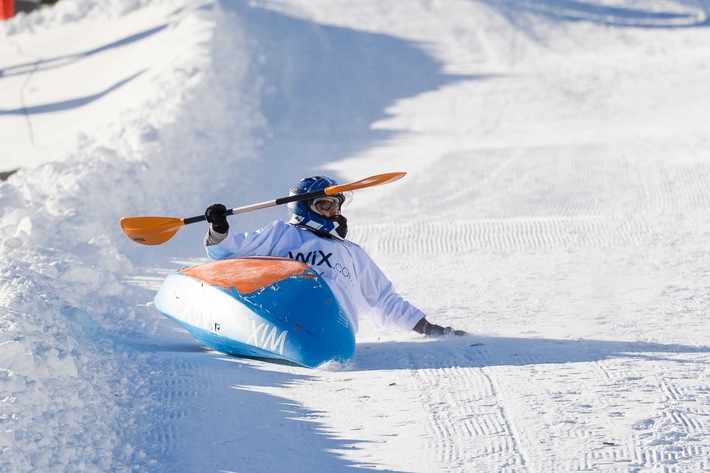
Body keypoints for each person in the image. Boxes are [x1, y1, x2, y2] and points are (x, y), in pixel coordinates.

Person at [203, 175, 464, 337]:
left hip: (333, 328)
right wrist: (219, 227)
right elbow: (229, 252)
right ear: (304, 207)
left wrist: (426, 328)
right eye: (325, 205)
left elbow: (383, 299)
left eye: (335, 206)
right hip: (283, 316)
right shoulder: (281, 233)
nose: (333, 212)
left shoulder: (352, 253)